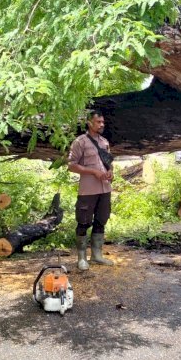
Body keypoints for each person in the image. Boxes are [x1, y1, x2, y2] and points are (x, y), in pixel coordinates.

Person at [67, 110, 114, 271]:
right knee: (83, 222)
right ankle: (81, 258)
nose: (101, 125)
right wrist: (93, 172)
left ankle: (97, 255)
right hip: (88, 190)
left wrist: (110, 172)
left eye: (102, 122)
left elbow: (109, 162)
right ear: (89, 123)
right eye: (98, 122)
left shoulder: (105, 142)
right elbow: (71, 165)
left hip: (105, 189)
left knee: (101, 220)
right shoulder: (80, 142)